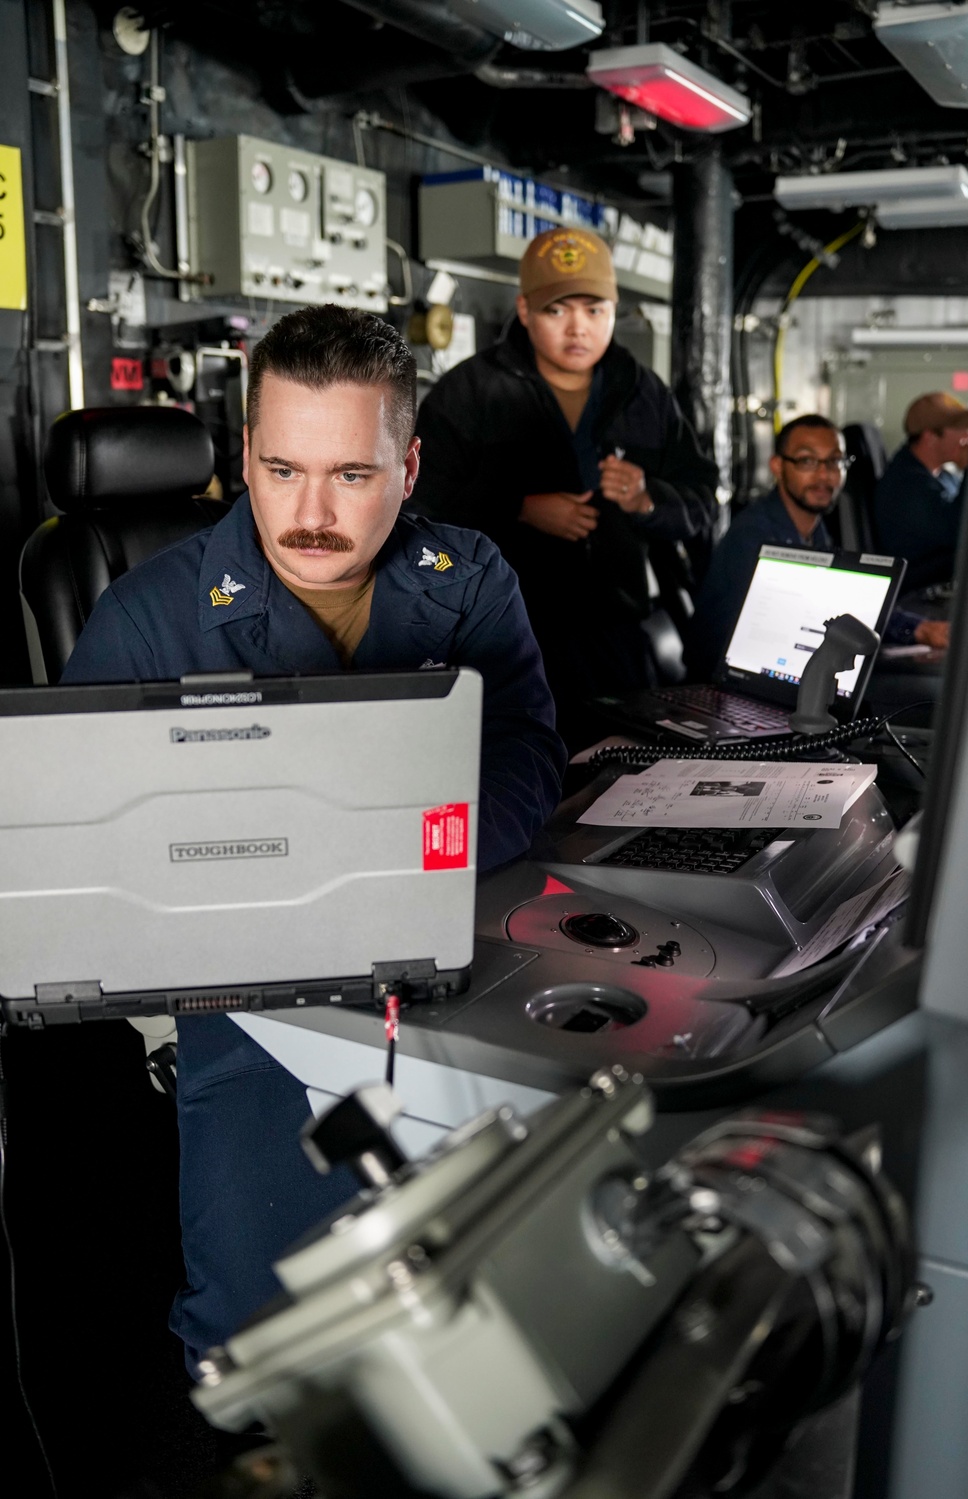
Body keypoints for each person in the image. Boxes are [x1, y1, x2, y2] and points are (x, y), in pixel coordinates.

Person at [62, 304, 566, 1371]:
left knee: (508, 1282)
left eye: (351, 474)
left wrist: (385, 852)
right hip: (246, 988)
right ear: (244, 454)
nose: (311, 512)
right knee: (263, 1326)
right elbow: (86, 848)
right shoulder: (148, 615)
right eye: (283, 468)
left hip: (451, 945)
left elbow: (524, 755)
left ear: (410, 464)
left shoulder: (465, 578)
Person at [409, 226, 718, 750]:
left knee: (624, 782)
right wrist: (518, 508)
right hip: (505, 636)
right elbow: (417, 511)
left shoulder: (644, 394)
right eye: (558, 311)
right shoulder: (469, 392)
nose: (578, 328)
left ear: (615, 312)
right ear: (525, 310)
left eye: (595, 310)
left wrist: (649, 498)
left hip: (616, 639)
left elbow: (702, 501)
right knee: (522, 780)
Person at [685, 414, 949, 682]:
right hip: (722, 686)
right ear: (777, 466)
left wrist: (918, 629)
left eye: (835, 461)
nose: (824, 475)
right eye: (807, 461)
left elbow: (842, 600)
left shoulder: (814, 529)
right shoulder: (755, 537)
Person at [874, 391, 968, 588]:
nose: (967, 436)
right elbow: (960, 532)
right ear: (930, 436)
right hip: (915, 590)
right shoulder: (905, 486)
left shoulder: (941, 475)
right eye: (959, 429)